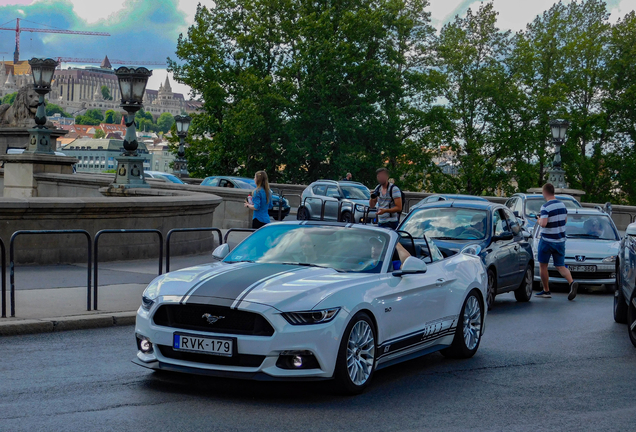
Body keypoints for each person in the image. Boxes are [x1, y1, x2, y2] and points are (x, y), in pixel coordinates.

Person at [536, 183, 578, 300]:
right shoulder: (562, 205)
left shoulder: (545, 207)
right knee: (560, 266)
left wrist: (539, 220)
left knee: (543, 265)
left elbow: (544, 224)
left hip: (547, 240)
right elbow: (564, 221)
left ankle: (546, 290)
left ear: (545, 192)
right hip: (560, 240)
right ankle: (571, 282)